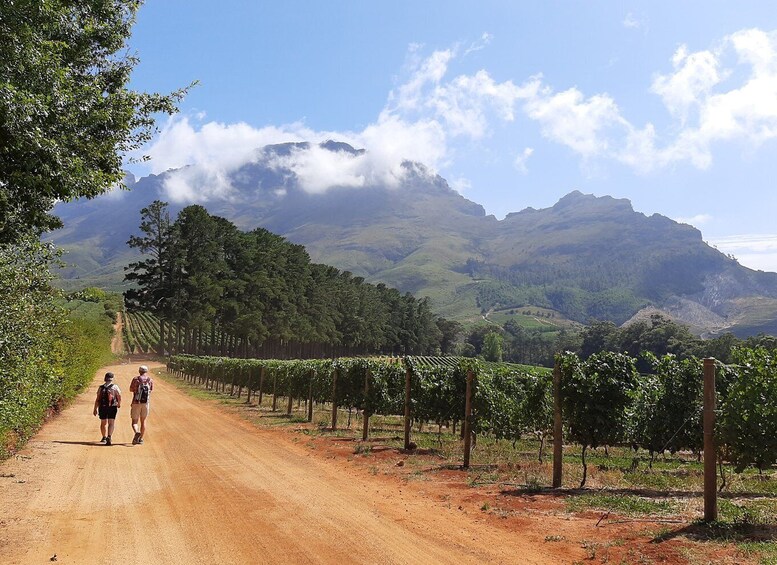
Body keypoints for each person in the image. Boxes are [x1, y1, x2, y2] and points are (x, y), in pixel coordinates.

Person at [93, 372, 121, 446]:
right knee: (111, 422)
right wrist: (118, 404)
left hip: (102, 407)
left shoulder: (101, 387)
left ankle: (104, 437)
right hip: (112, 407)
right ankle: (109, 436)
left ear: (105, 378)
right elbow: (119, 396)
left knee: (103, 423)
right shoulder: (115, 387)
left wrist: (95, 408)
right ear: (112, 379)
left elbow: (97, 399)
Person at [129, 365, 154, 445]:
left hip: (136, 402)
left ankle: (137, 432)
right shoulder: (150, 380)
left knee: (134, 422)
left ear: (139, 371)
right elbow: (151, 390)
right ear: (146, 371)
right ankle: (141, 439)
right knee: (143, 421)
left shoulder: (136, 379)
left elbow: (131, 389)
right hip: (146, 403)